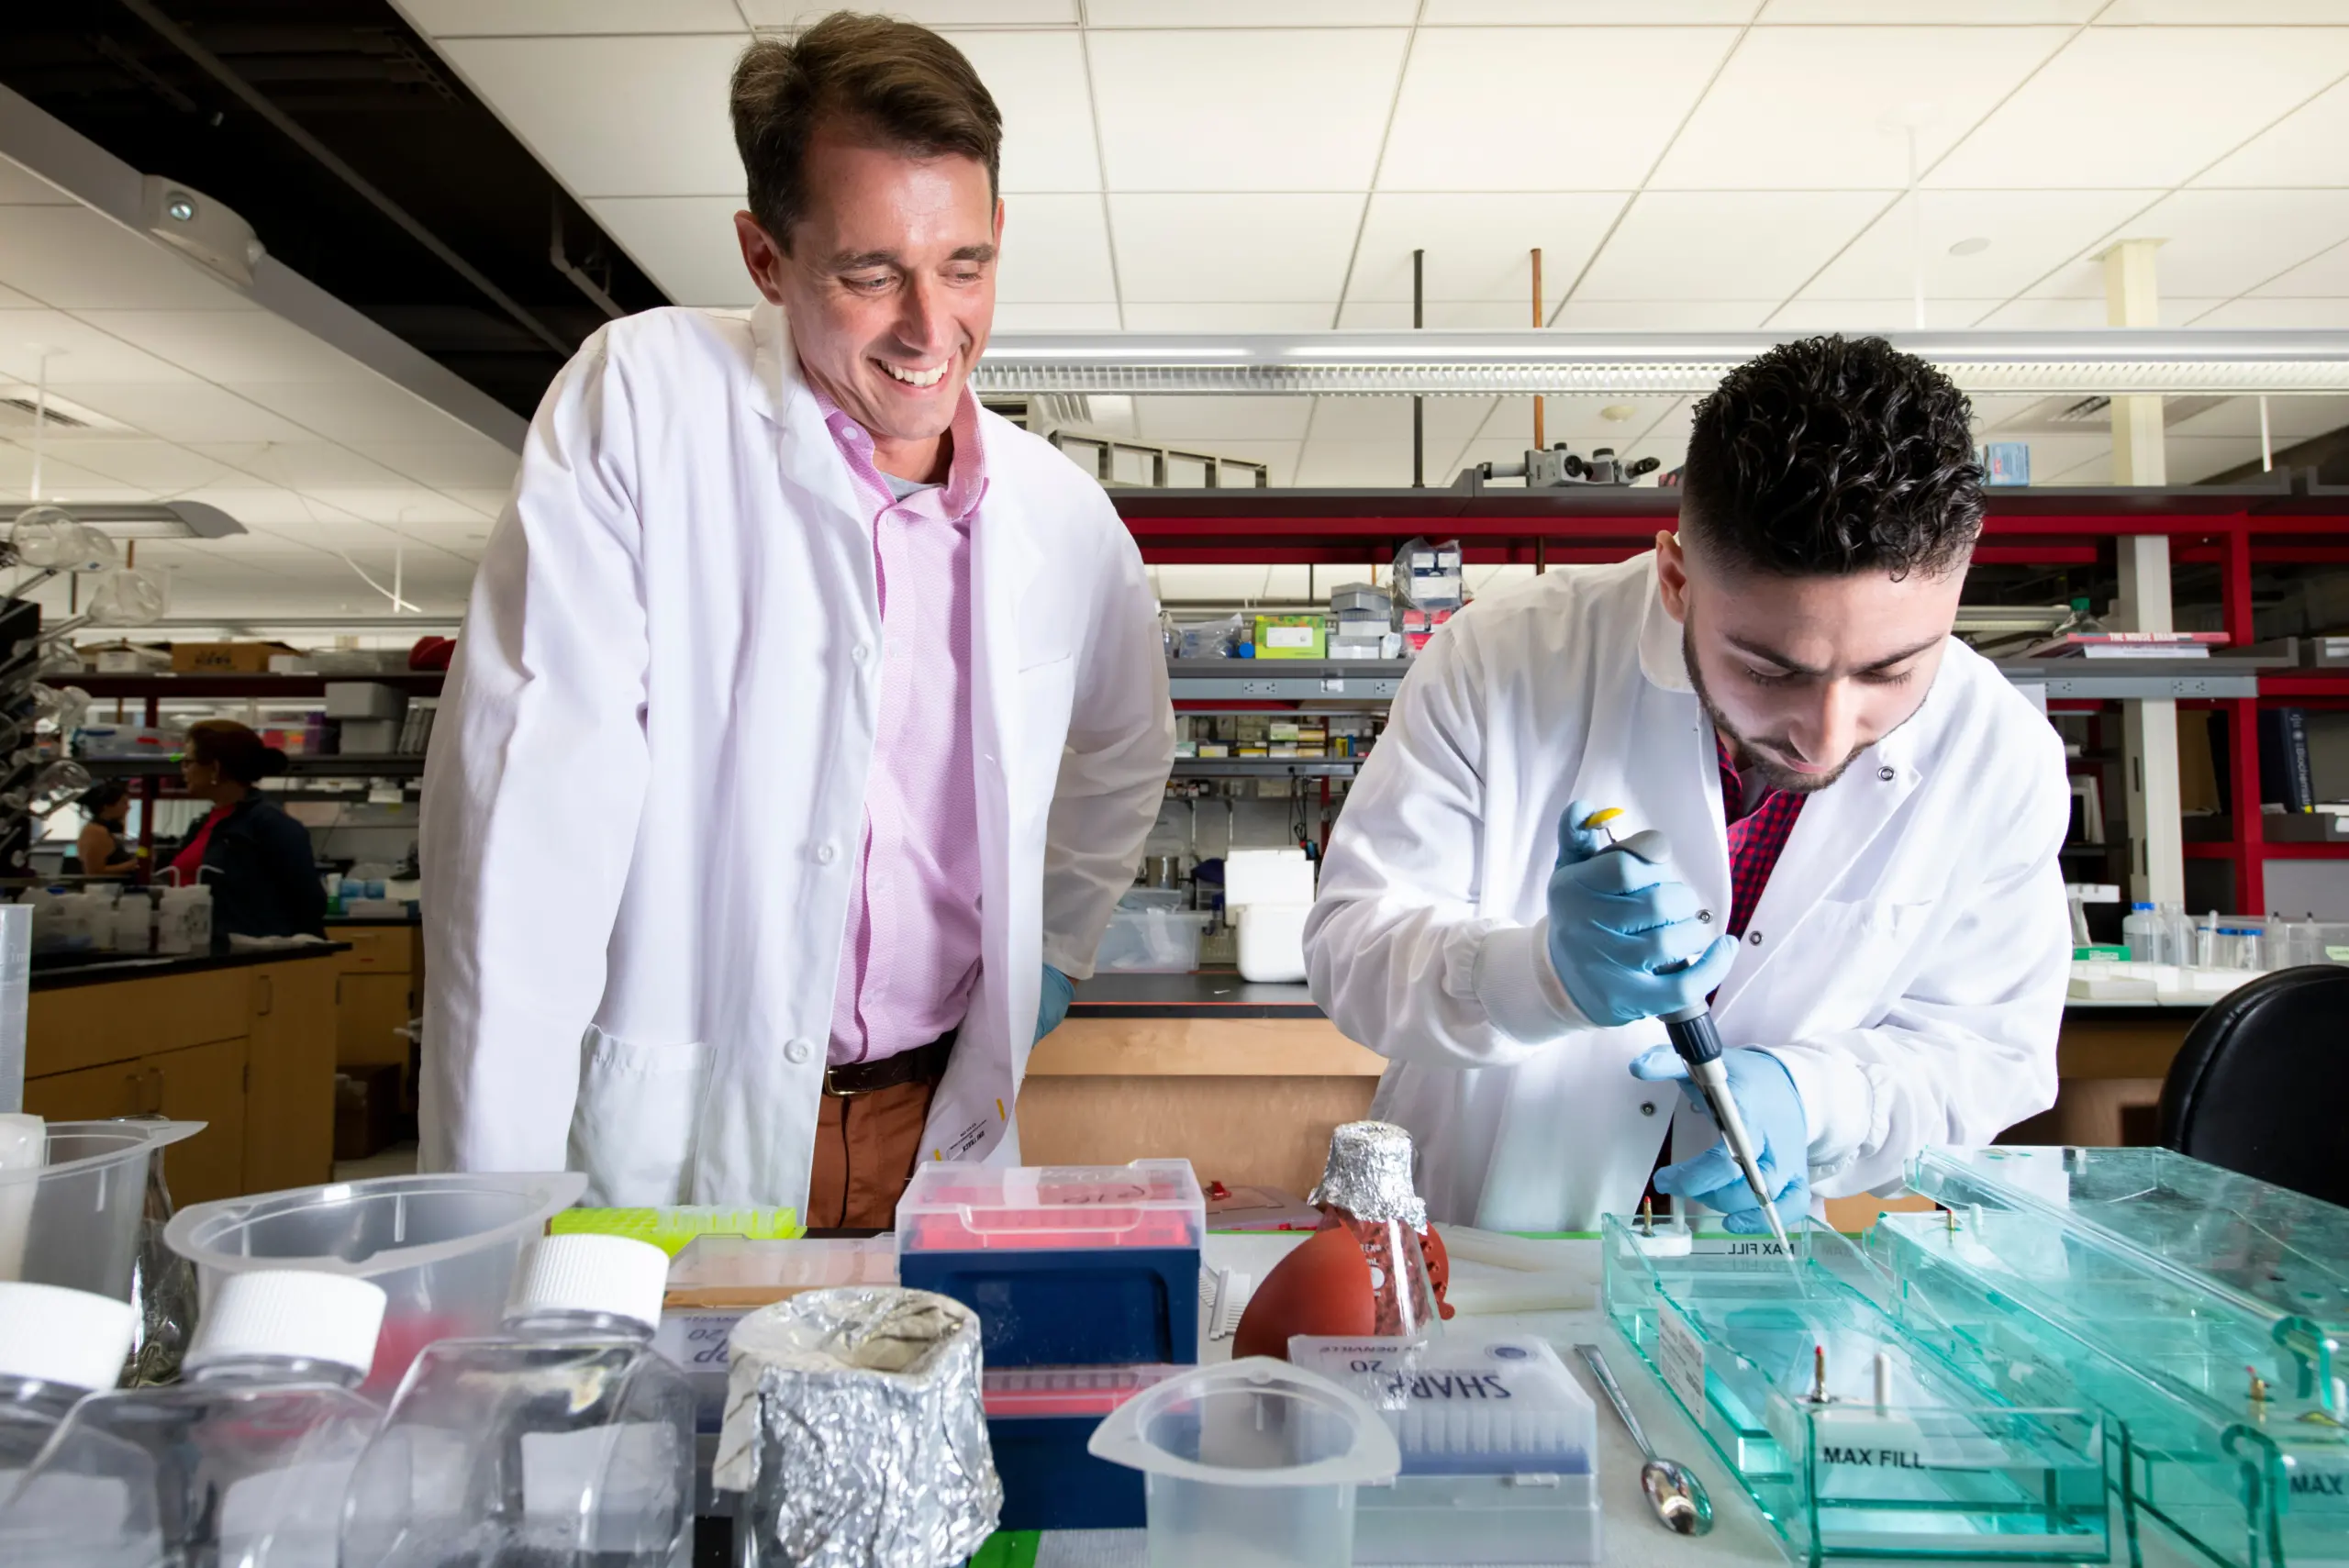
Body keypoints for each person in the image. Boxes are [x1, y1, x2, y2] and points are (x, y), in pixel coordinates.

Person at [420, 14, 1173, 1220]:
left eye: (965, 265)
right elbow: (527, 819)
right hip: (683, 1125)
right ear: (765, 258)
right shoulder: (647, 406)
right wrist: (485, 1212)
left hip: (935, 1121)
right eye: (871, 273)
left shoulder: (1061, 513)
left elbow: (1128, 746)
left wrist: (1053, 948)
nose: (931, 328)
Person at [1305, 335, 2068, 1235]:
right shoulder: (1503, 659)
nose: (1825, 735)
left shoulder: (1997, 750)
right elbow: (1351, 950)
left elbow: (1989, 1051)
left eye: (1891, 670)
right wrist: (1540, 974)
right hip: (1490, 1247)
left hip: (1776, 1268)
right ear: (1676, 579)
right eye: (1769, 669)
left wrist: (1815, 1096)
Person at [172, 719, 327, 951]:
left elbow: (309, 901)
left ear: (215, 768)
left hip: (250, 956)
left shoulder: (270, 824)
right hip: (199, 949)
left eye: (188, 761)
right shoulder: (202, 824)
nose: (183, 769)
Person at [73, 781, 141, 880]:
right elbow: (93, 872)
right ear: (107, 807)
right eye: (123, 803)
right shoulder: (96, 832)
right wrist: (132, 864)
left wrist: (142, 855)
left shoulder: (106, 829)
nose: (128, 807)